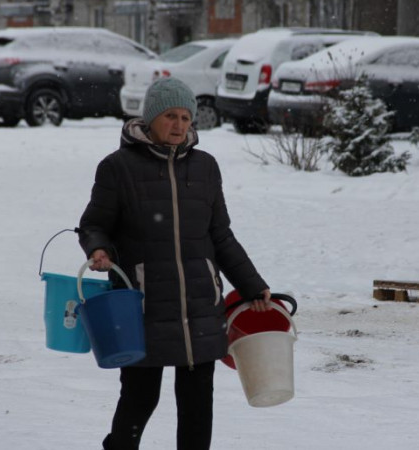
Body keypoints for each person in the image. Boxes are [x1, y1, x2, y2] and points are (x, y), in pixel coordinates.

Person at [78, 76, 271, 450]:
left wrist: (251, 285)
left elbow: (221, 236)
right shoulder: (118, 167)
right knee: (139, 399)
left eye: (186, 117)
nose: (179, 125)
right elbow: (94, 224)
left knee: (198, 405)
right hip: (143, 306)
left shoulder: (205, 168)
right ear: (150, 118)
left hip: (200, 307)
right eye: (170, 116)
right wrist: (98, 249)